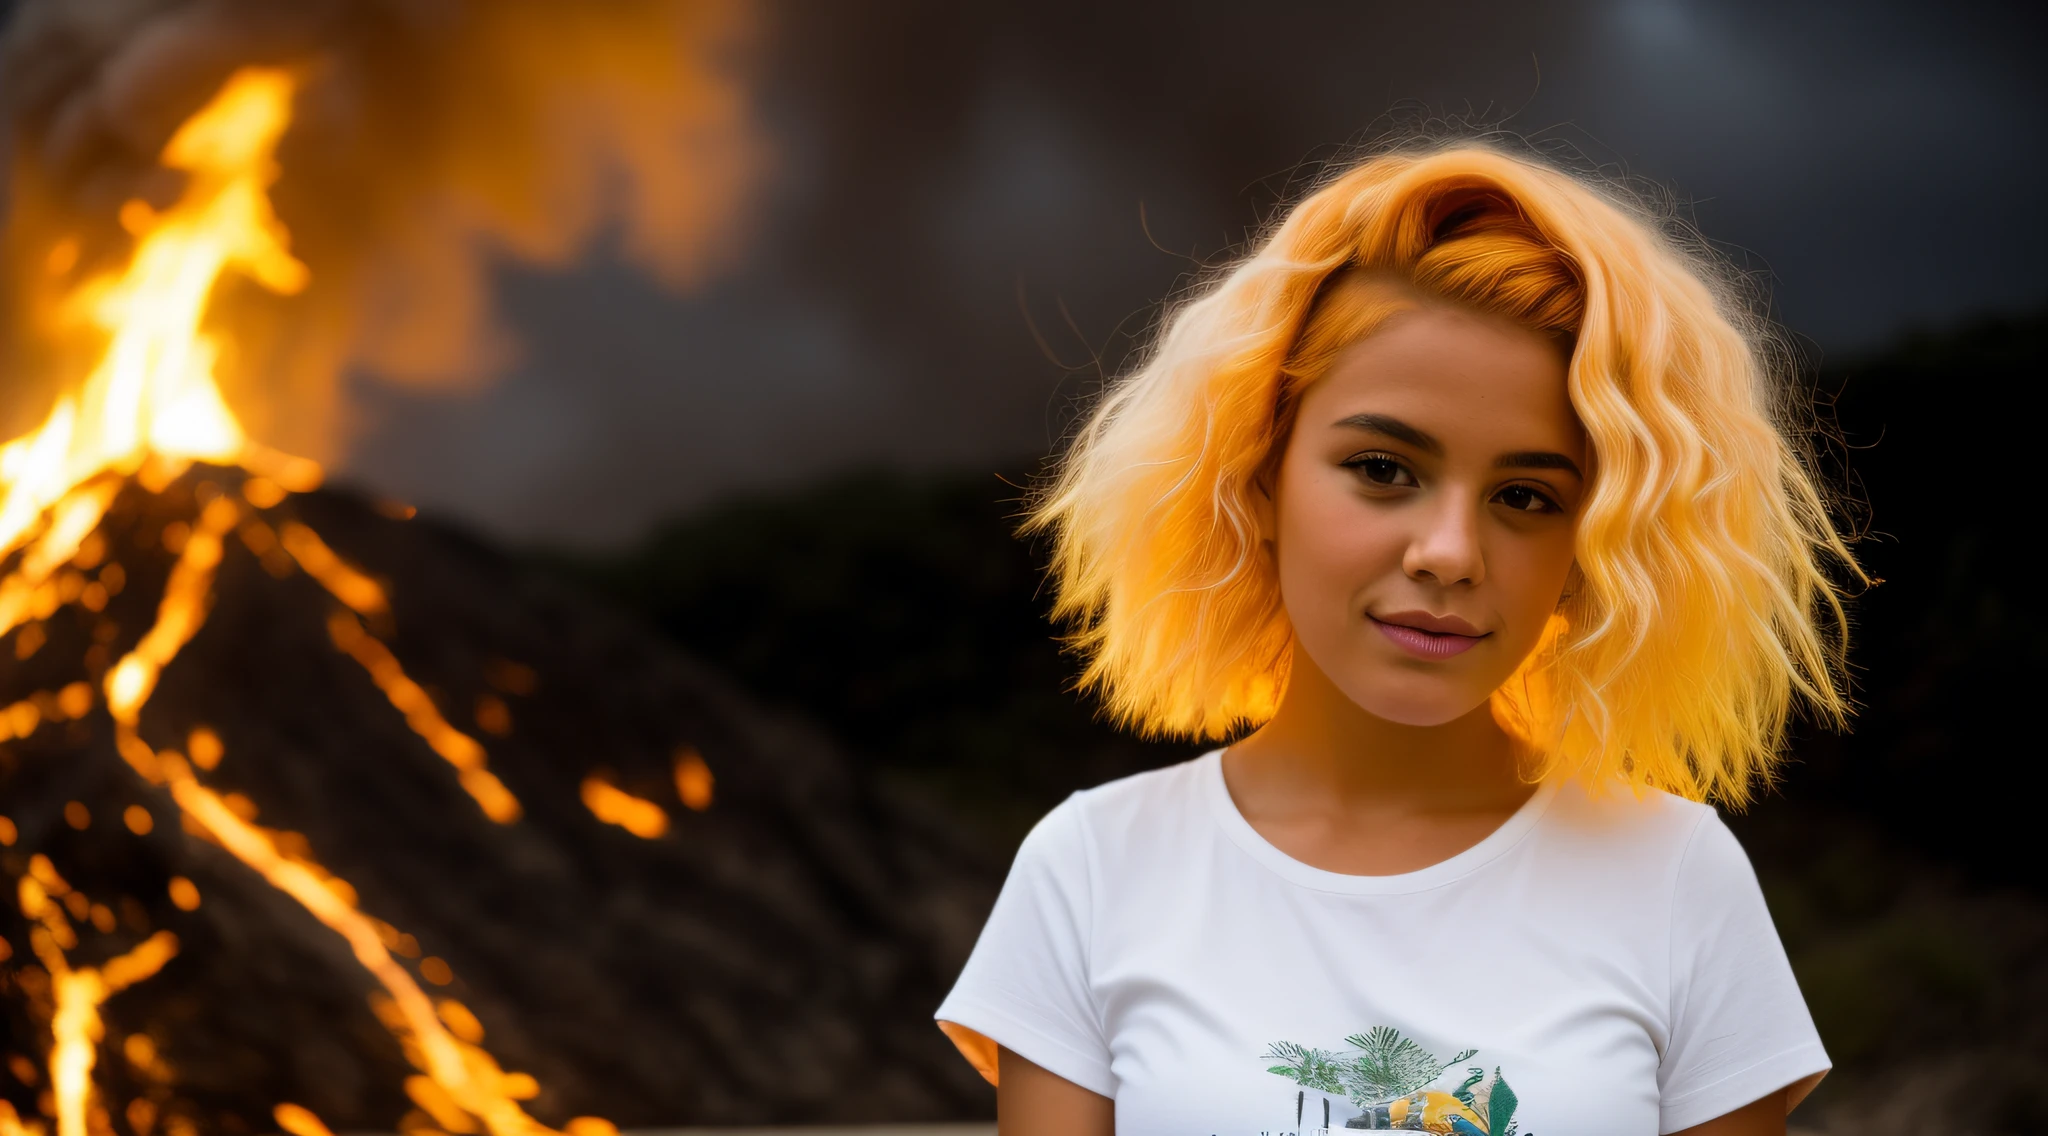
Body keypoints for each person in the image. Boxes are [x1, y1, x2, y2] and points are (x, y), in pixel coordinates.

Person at [933, 143, 1861, 1136]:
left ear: (1590, 546)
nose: (1449, 551)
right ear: (1256, 479)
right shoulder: (1089, 870)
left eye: (1523, 496)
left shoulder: (1679, 876)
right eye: (1381, 468)